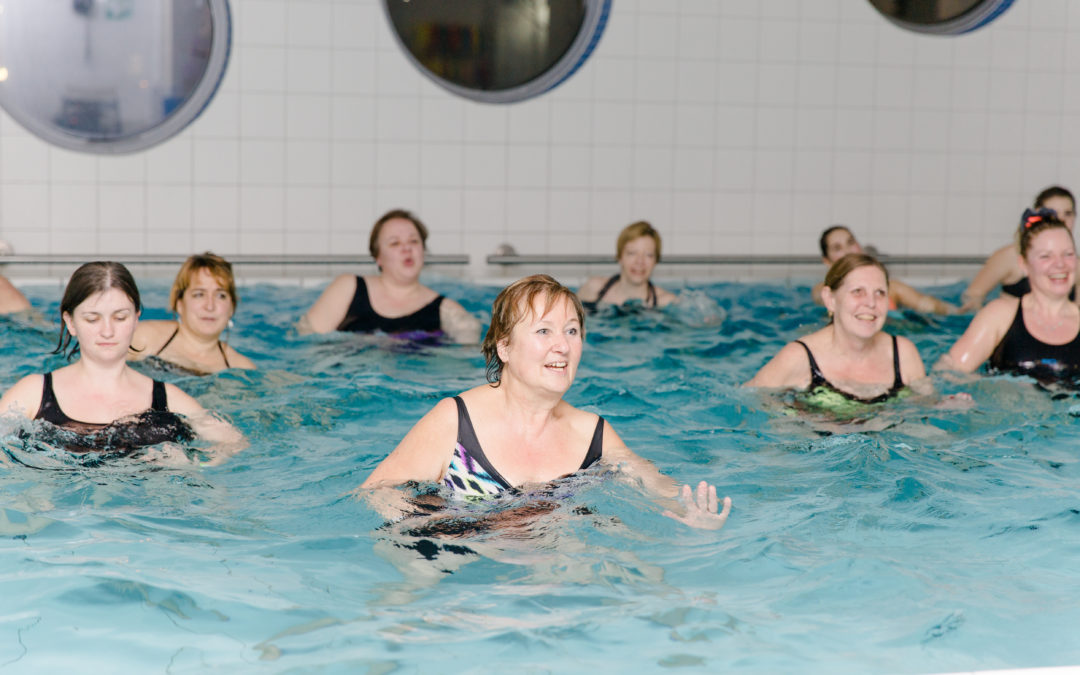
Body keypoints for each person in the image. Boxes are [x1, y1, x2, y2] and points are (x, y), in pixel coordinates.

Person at [359, 274, 730, 530]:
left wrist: (691, 513)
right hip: (457, 562)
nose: (562, 345)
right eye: (543, 331)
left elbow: (657, 486)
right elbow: (376, 494)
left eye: (572, 330)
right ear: (504, 347)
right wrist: (459, 527)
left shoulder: (592, 434)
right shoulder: (455, 422)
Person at [0, 262, 244, 460]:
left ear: (136, 319)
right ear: (71, 322)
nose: (107, 331)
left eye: (120, 317)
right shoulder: (33, 394)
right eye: (93, 319)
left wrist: (192, 464)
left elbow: (234, 443)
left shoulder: (169, 399)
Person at [747, 253, 928, 404]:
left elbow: (926, 410)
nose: (871, 303)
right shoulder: (799, 358)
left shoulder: (903, 354)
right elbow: (747, 403)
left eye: (879, 293)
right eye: (858, 291)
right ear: (830, 299)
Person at [938, 209, 1080, 381]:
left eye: (1068, 254)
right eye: (1045, 256)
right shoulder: (1000, 316)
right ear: (1024, 264)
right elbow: (948, 372)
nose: (1060, 264)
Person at [297, 209, 480, 343]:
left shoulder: (447, 311)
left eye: (414, 241)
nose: (407, 248)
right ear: (378, 257)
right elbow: (307, 342)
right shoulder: (348, 287)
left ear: (423, 250)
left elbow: (466, 361)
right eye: (395, 243)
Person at [129, 252, 254, 375]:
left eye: (221, 295)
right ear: (179, 304)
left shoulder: (241, 369)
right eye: (199, 294)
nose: (210, 306)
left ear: (231, 307)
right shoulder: (143, 338)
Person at [961, 186, 1077, 311]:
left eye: (1068, 214)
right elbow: (973, 295)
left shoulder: (1075, 264)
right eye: (1052, 213)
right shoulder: (1009, 257)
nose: (1061, 220)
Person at [812, 225, 956, 314]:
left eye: (850, 242)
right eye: (837, 248)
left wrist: (960, 311)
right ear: (827, 261)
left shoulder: (893, 288)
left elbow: (931, 306)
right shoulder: (823, 291)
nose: (848, 250)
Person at [577, 221, 678, 311]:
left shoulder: (666, 302)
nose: (639, 262)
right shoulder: (594, 290)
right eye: (632, 253)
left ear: (656, 260)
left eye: (648, 255)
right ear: (620, 256)